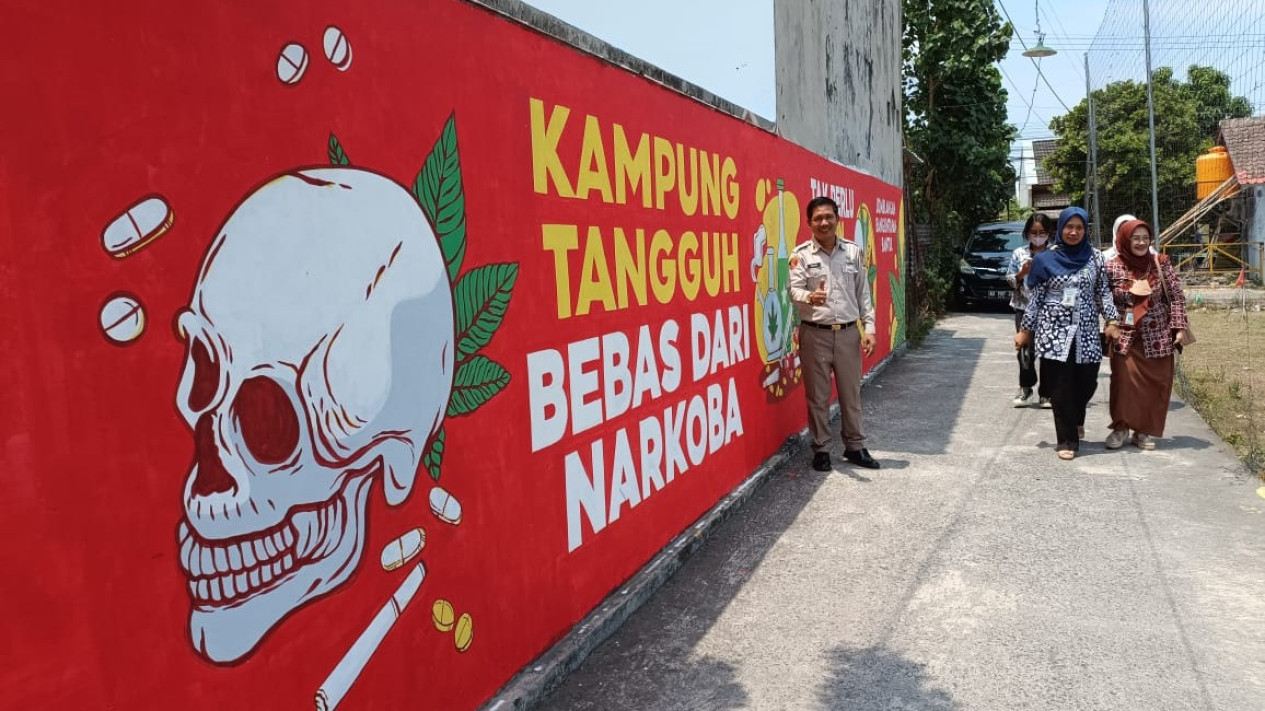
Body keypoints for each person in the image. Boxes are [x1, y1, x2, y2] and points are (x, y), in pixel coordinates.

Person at [1015, 206, 1121, 460]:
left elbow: (1103, 292)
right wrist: (1025, 330)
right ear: (1060, 229)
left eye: (1079, 228)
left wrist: (1112, 320)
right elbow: (1036, 299)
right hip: (1054, 333)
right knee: (1060, 388)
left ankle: (1076, 419)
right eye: (1069, 227)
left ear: (1085, 230)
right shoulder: (1045, 260)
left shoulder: (1095, 258)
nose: (1073, 232)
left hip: (1086, 332)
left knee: (1087, 382)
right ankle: (1066, 440)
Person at [788, 196, 879, 472]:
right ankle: (822, 449)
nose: (824, 222)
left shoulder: (852, 252)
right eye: (818, 218)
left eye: (829, 217)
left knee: (851, 394)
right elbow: (793, 291)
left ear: (838, 219)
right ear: (809, 223)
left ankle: (855, 447)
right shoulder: (800, 255)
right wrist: (809, 296)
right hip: (814, 334)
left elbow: (863, 293)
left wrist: (870, 328)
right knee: (817, 396)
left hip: (849, 333)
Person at [1104, 219, 1189, 450]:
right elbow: (1102, 297)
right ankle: (1121, 428)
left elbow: (1176, 296)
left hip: (1158, 335)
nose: (1141, 242)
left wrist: (1179, 327)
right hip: (1126, 335)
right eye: (1135, 238)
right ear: (1124, 239)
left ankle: (1143, 431)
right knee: (1123, 383)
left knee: (1155, 385)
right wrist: (1110, 322)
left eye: (1145, 238)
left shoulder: (1160, 262)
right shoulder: (1112, 266)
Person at [1005, 213, 1054, 408]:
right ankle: (1026, 387)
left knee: (1049, 351)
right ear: (1027, 233)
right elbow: (1009, 280)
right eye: (1033, 232)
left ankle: (1047, 393)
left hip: (1050, 309)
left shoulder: (1056, 253)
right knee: (1025, 351)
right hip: (1024, 308)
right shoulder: (1019, 253)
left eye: (1042, 232)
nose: (1038, 236)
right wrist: (1021, 273)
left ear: (1049, 233)